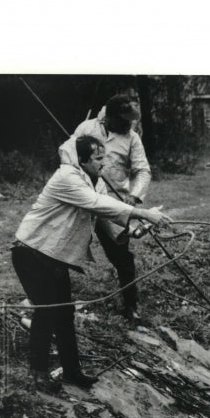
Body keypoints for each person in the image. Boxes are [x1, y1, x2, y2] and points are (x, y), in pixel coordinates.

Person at [13, 134, 171, 391]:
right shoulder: (67, 178)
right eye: (98, 159)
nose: (103, 164)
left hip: (55, 257)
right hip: (31, 252)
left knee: (64, 314)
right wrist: (142, 212)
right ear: (82, 160)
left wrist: (134, 228)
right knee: (47, 312)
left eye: (103, 158)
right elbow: (96, 203)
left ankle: (72, 372)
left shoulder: (93, 181)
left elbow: (104, 214)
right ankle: (38, 374)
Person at [58, 93, 152, 323]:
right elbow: (65, 153)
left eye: (131, 122)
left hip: (113, 204)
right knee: (62, 249)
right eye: (124, 121)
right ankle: (58, 303)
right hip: (83, 199)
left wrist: (134, 196)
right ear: (109, 117)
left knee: (122, 257)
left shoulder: (132, 139)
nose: (128, 125)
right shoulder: (86, 128)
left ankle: (131, 306)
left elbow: (142, 170)